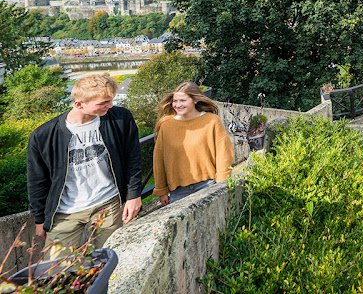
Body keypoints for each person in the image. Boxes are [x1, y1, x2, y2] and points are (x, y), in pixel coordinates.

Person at [27, 73, 142, 258]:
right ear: (79, 104)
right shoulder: (43, 136)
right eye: (103, 102)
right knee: (55, 270)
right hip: (65, 212)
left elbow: (133, 158)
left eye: (111, 100)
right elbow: (37, 180)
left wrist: (133, 195)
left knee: (109, 261)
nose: (110, 105)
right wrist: (39, 219)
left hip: (108, 203)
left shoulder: (120, 118)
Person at [153, 82, 234, 205]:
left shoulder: (212, 121)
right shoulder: (166, 126)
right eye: (175, 101)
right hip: (178, 191)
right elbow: (158, 160)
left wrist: (222, 182)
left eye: (183, 101)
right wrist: (161, 190)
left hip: (208, 184)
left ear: (195, 100)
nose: (177, 105)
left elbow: (223, 152)